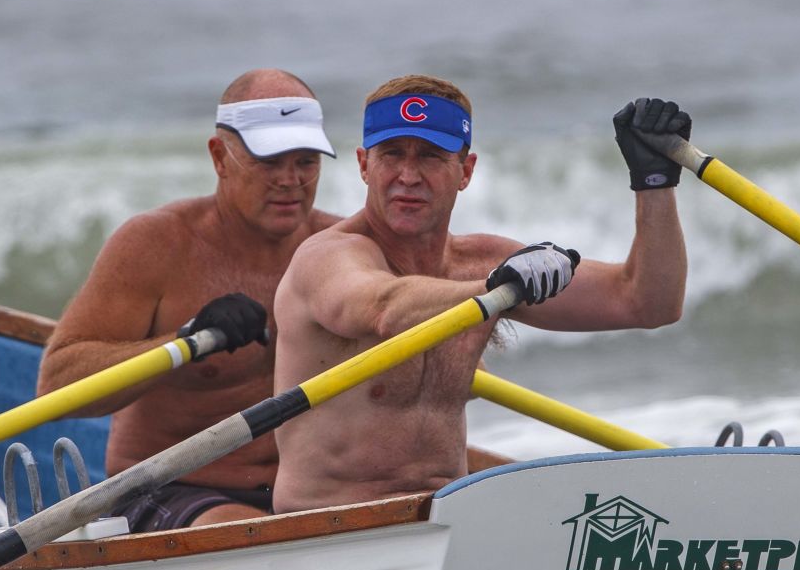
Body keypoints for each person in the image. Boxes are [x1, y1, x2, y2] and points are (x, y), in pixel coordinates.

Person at [271, 74, 689, 513]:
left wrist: (655, 183)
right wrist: (493, 289)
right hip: (328, 529)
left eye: (431, 156)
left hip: (449, 524)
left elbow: (647, 302)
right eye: (392, 154)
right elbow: (383, 308)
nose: (408, 176)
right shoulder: (326, 258)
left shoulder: (481, 262)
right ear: (363, 165)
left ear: (465, 171)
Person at [39, 69, 341, 531]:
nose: (290, 180)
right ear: (220, 157)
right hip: (168, 488)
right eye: (269, 161)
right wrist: (184, 341)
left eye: (306, 162)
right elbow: (58, 386)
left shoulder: (343, 250)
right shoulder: (158, 244)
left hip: (301, 490)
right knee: (246, 534)